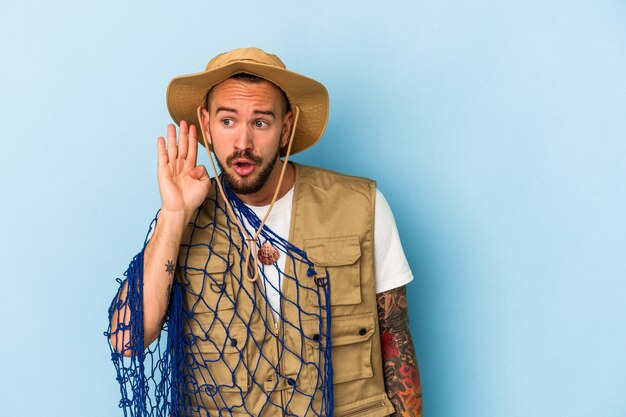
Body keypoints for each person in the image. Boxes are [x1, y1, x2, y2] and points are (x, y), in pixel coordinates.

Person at [107, 47, 422, 417]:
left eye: (260, 123)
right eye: (228, 122)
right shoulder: (181, 221)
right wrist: (174, 215)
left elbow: (396, 341)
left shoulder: (362, 206)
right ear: (205, 124)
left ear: (285, 127)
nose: (243, 143)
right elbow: (126, 340)